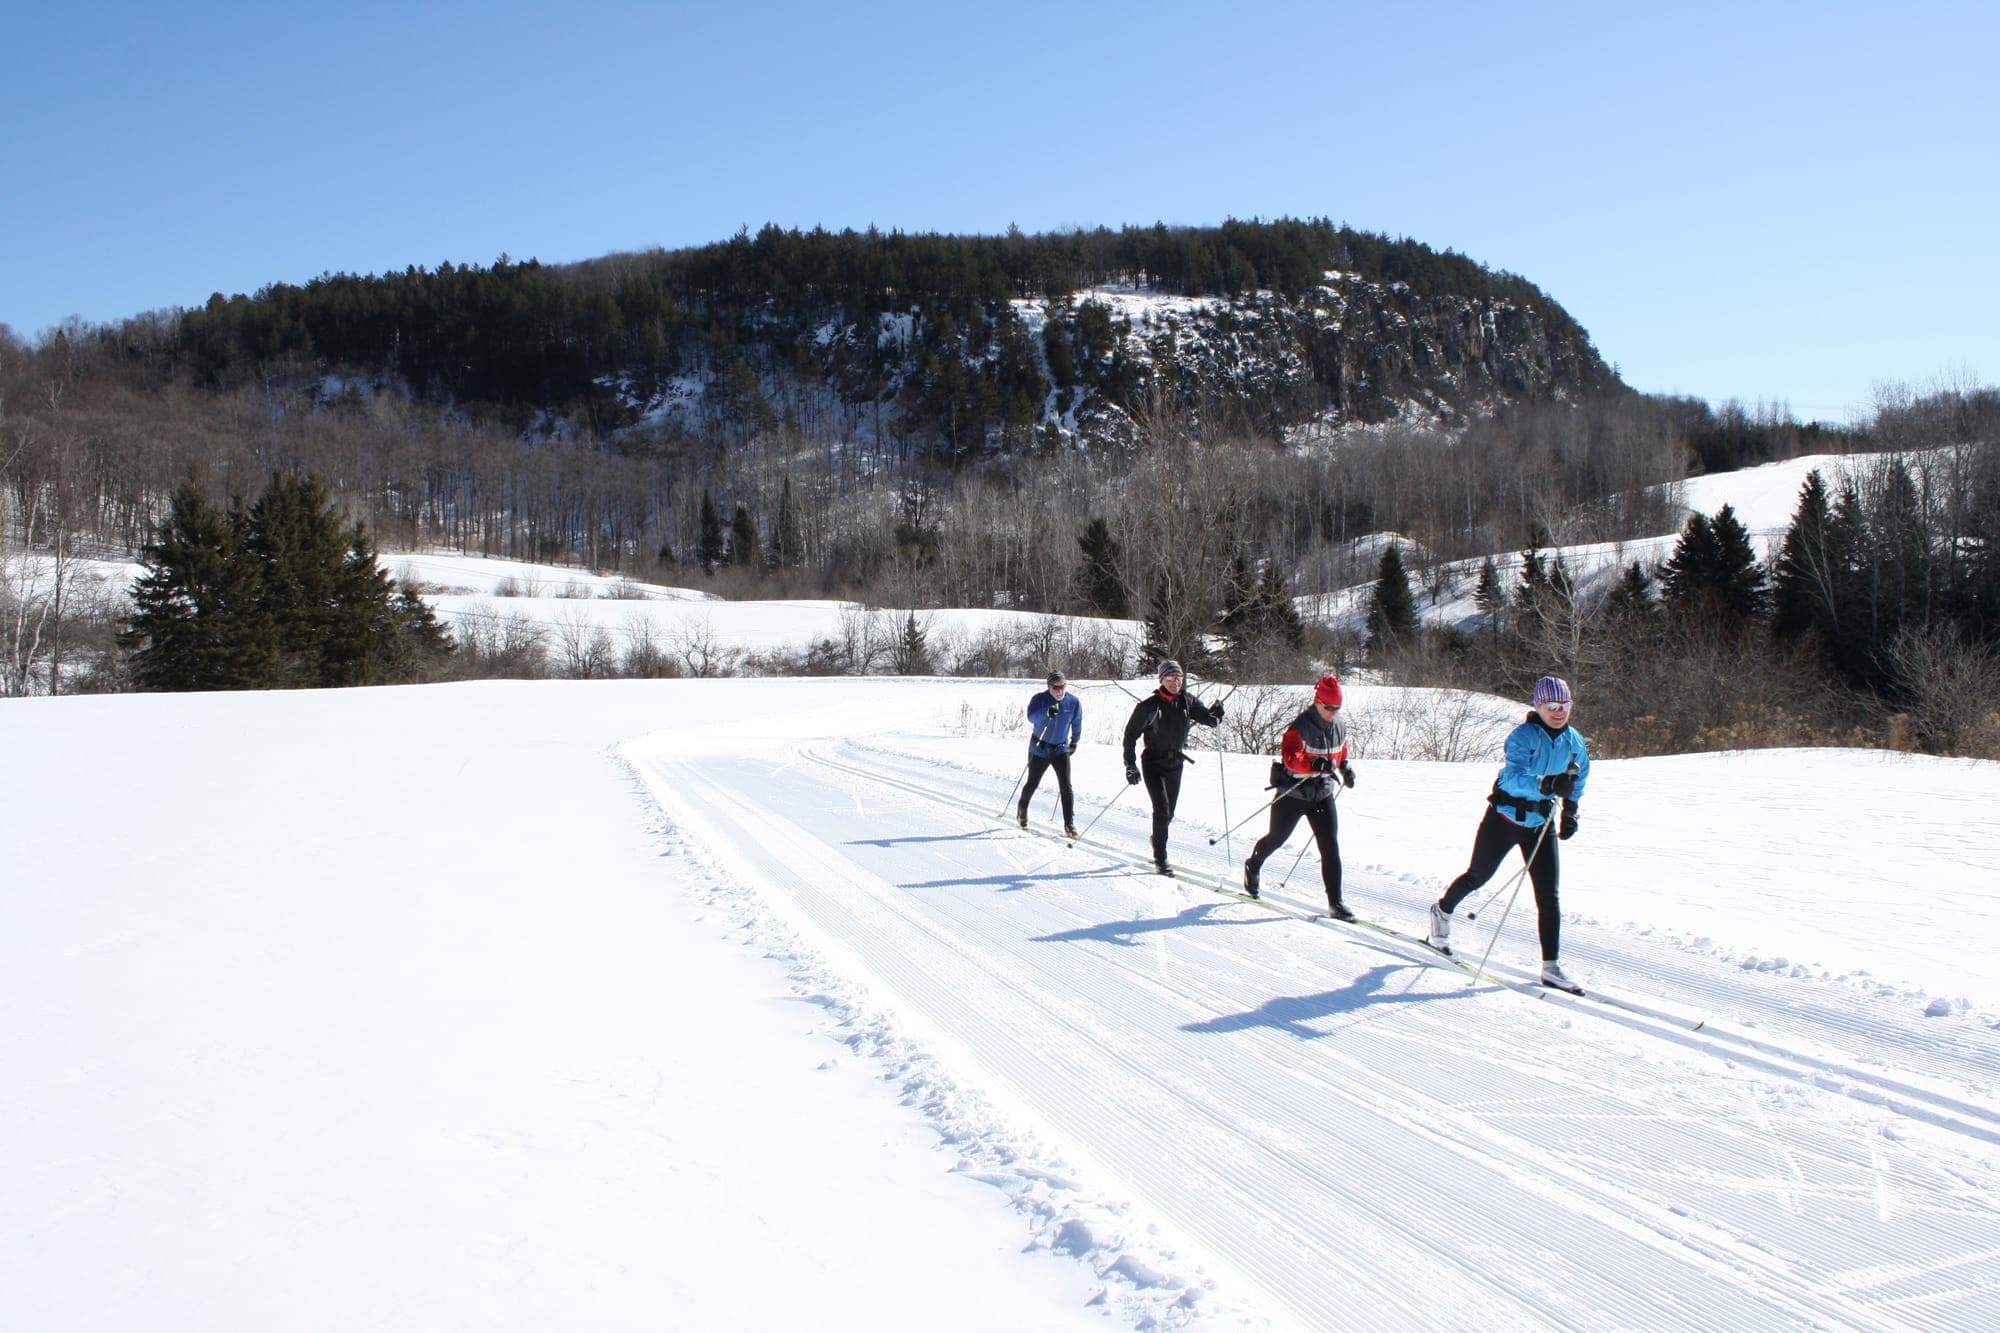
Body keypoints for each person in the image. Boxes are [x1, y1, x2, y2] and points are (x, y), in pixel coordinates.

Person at [1425, 675, 1592, 993]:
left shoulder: (1575, 741)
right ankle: (1442, 911)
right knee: (1478, 876)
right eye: (1552, 705)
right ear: (1538, 706)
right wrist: (1546, 784)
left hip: (1540, 825)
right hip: (1504, 819)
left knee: (1548, 895)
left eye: (1565, 705)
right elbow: (1514, 776)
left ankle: (1551, 966)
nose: (1559, 711)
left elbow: (1579, 774)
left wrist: (1570, 809)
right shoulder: (1524, 736)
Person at [1242, 675, 1356, 920]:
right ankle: (1254, 864)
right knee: (1276, 838)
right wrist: (1314, 762)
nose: (1332, 713)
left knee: (1330, 847)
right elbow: (1291, 759)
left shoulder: (1339, 725)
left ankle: (1336, 902)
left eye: (1337, 708)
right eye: (1328, 708)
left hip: (1322, 792)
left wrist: (1344, 768)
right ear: (1317, 702)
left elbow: (1341, 752)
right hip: (1293, 793)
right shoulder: (1299, 727)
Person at [1121, 659, 1223, 876]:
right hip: (1153, 762)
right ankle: (1160, 857)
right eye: (1170, 677)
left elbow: (1209, 719)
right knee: (1162, 809)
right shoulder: (1148, 706)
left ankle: (1157, 838)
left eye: (1179, 677)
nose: (1176, 681)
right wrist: (1130, 765)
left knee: (1169, 813)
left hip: (1175, 763)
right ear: (1162, 680)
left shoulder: (1186, 700)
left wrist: (1216, 714)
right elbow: (1130, 736)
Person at [1019, 671, 1082, 837]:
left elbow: (1076, 722)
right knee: (1032, 783)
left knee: (1066, 786)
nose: (1059, 690)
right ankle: (1022, 810)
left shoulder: (1073, 702)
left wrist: (1075, 741)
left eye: (1062, 686)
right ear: (1049, 687)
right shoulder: (1039, 699)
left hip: (1060, 749)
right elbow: (1031, 717)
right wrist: (1047, 712)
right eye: (1056, 687)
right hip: (1039, 748)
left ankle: (1069, 824)